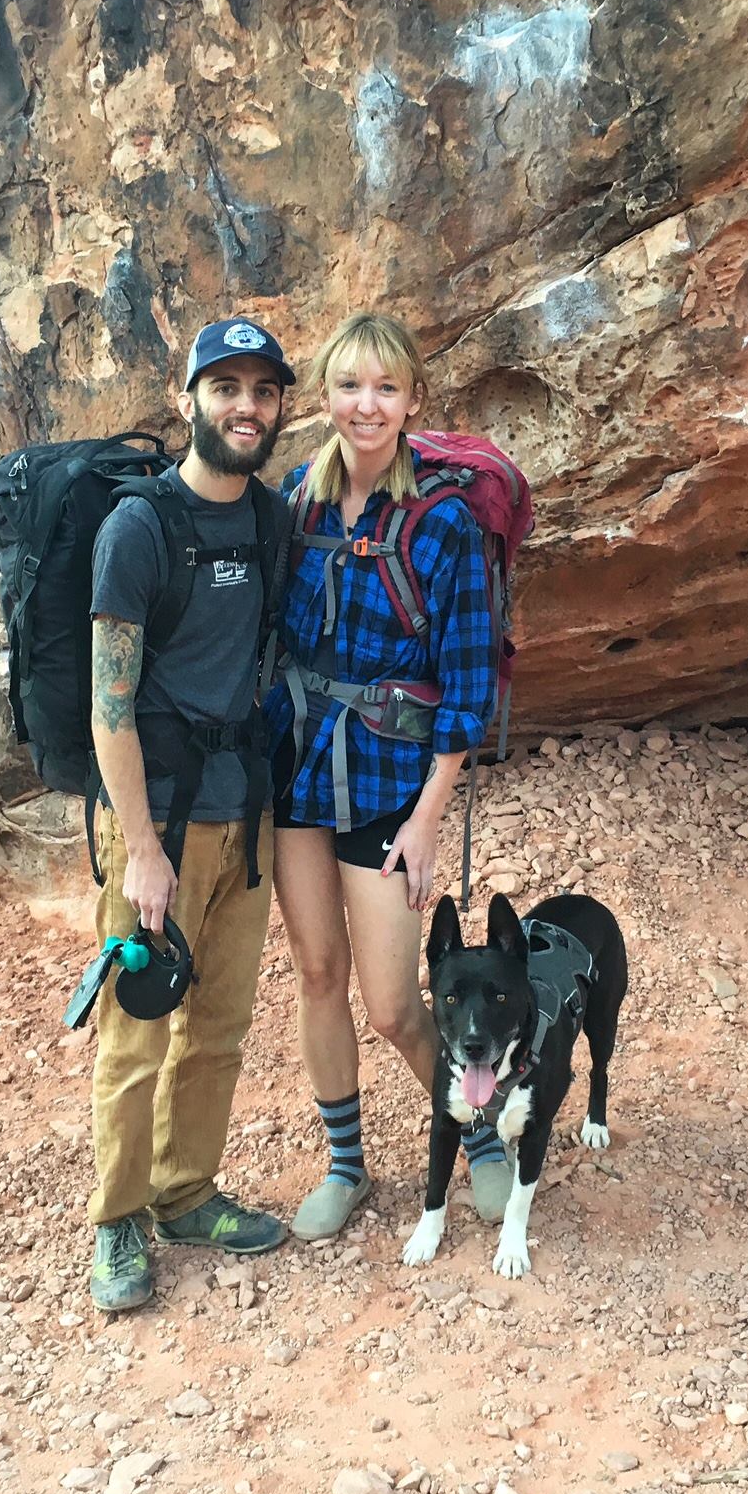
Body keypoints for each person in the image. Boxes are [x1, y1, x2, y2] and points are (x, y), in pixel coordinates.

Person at [266, 312, 509, 1240]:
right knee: (317, 973)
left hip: (387, 782)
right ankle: (346, 1164)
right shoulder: (299, 501)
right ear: (325, 397)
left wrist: (426, 820)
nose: (366, 406)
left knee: (397, 1003)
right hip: (296, 774)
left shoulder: (442, 522)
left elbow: (468, 682)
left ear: (413, 401)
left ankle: (480, 1133)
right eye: (349, 386)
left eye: (386, 388)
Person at [85, 317, 295, 1312]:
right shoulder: (140, 528)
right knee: (137, 1034)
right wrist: (140, 853)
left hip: (242, 819)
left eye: (262, 390)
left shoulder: (269, 522)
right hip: (160, 825)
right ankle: (118, 1221)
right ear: (188, 401)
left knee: (218, 1025)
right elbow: (107, 703)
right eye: (226, 388)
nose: (245, 406)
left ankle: (186, 1193)